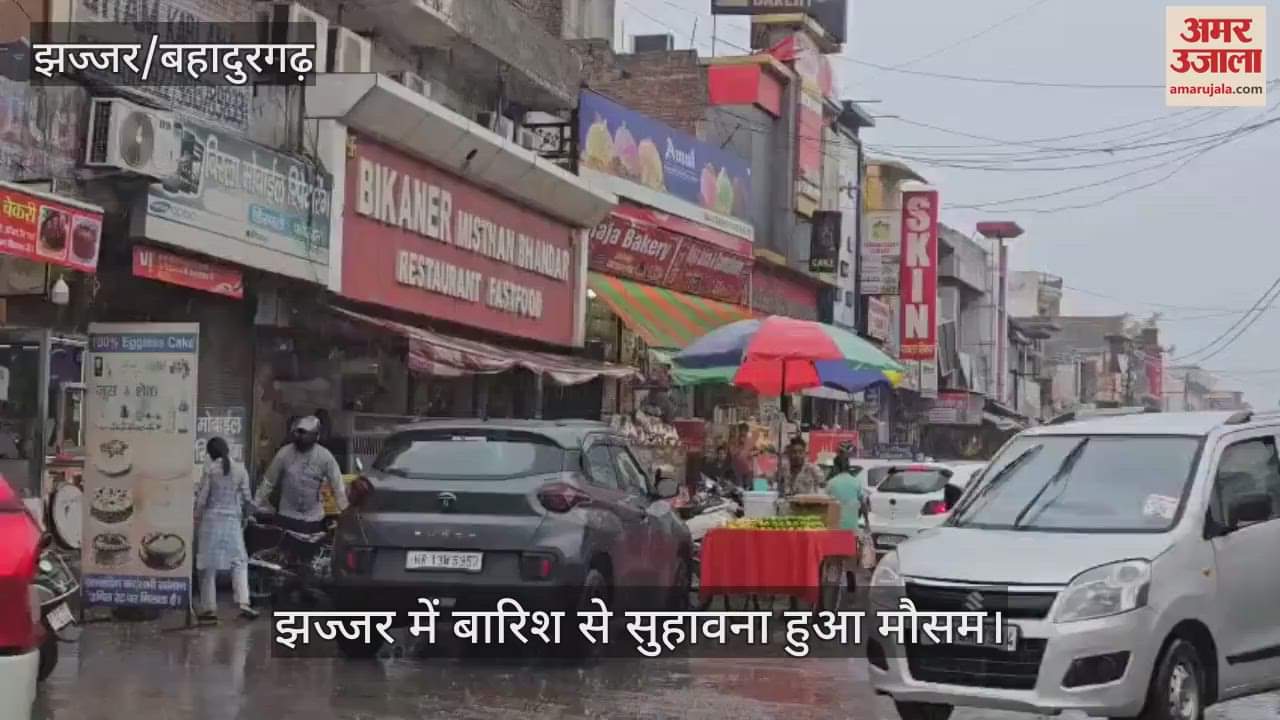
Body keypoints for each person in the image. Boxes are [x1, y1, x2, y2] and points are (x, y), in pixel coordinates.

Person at [194, 436, 257, 623]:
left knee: (207, 566)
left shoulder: (210, 470)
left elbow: (202, 500)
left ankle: (209, 608)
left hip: (211, 522)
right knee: (239, 562)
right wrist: (246, 517)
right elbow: (248, 499)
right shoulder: (240, 469)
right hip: (232, 523)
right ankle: (244, 602)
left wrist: (196, 518)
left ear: (210, 454)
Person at [254, 415, 347, 534]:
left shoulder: (325, 457)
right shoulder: (284, 454)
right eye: (299, 433)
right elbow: (268, 483)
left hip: (313, 519)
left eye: (305, 434)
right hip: (287, 517)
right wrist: (254, 506)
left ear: (315, 436)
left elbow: (338, 486)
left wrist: (345, 512)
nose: (301, 437)